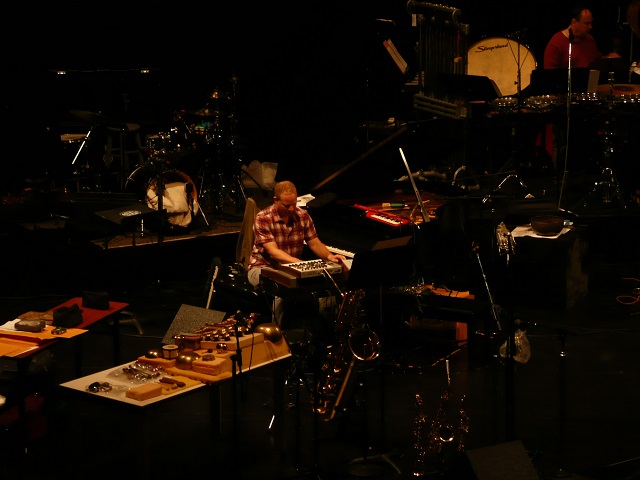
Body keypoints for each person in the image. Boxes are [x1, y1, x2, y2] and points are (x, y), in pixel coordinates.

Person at [247, 180, 347, 326]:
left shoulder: (302, 215)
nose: (291, 209)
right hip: (263, 268)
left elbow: (315, 243)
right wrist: (301, 264)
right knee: (283, 289)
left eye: (294, 204)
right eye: (286, 205)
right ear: (275, 200)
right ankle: (280, 333)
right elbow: (274, 252)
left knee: (328, 284)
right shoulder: (263, 218)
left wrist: (329, 256)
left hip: (292, 268)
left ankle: (324, 330)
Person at [544, 6, 621, 69]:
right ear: (574, 22)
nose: (590, 27)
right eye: (587, 23)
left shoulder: (589, 39)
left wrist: (609, 58)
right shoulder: (557, 42)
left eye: (591, 23)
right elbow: (549, 71)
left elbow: (596, 60)